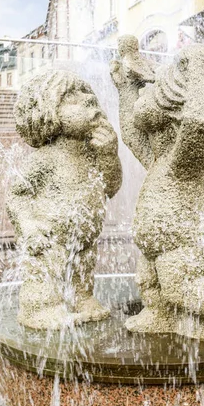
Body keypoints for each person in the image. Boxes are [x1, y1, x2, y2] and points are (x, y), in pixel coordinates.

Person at [111, 37, 204, 346]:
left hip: (184, 239)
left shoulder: (186, 159)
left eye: (154, 88)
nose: (147, 88)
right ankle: (161, 313)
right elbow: (129, 133)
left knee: (180, 287)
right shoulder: (159, 157)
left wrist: (198, 64)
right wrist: (126, 87)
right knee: (152, 281)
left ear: (175, 109)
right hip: (161, 242)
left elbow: (199, 123)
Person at [7, 70, 122, 329]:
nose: (88, 100)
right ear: (48, 113)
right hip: (50, 239)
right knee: (46, 273)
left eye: (88, 94)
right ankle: (39, 309)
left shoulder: (94, 154)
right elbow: (16, 195)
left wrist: (109, 155)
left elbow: (111, 187)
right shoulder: (46, 158)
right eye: (72, 97)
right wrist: (29, 226)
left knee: (83, 270)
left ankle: (82, 299)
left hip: (85, 238)